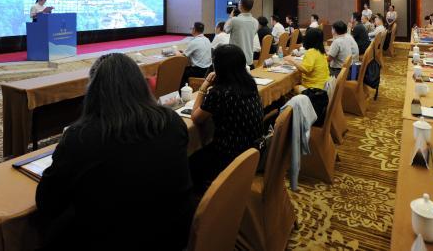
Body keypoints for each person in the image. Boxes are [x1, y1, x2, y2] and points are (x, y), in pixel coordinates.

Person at [36, 54, 194, 250]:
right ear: (139, 84)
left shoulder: (80, 137)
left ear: (93, 91)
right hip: (173, 237)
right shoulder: (171, 121)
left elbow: (47, 201)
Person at [190, 45, 263, 190]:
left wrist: (203, 87)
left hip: (229, 156)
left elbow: (196, 117)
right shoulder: (250, 84)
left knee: (191, 158)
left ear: (218, 67)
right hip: (252, 151)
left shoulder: (220, 92)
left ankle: (206, 196)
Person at [284, 27, 329, 126]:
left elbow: (306, 69)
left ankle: (291, 118)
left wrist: (292, 60)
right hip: (322, 87)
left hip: (313, 90)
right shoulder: (320, 51)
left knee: (289, 88)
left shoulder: (311, 52)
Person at [224, 0, 258, 67]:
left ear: (240, 5)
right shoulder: (255, 22)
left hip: (235, 59)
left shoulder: (234, 20)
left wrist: (230, 17)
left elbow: (225, 29)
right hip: (249, 59)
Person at [180, 22, 212, 87]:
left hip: (198, 71)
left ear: (194, 29)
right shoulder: (207, 39)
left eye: (192, 28)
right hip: (208, 69)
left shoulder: (194, 41)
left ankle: (182, 91)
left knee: (181, 71)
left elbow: (184, 55)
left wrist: (175, 52)